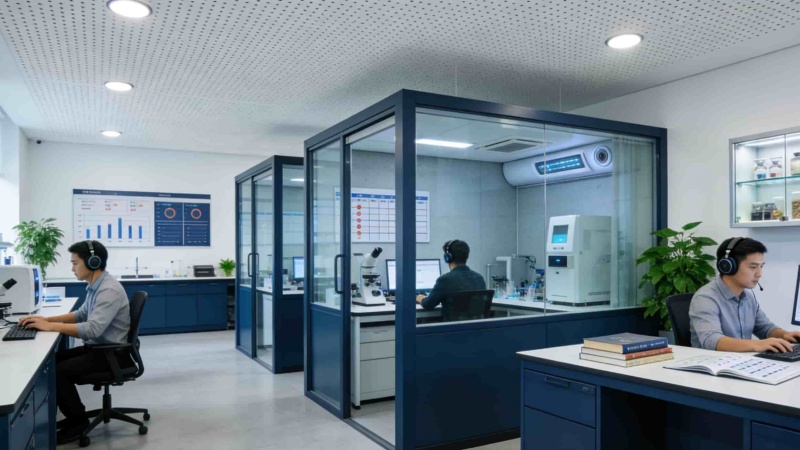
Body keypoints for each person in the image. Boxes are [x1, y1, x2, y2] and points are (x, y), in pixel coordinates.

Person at [20, 240, 132, 444]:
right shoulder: (96, 286)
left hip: (112, 355)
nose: (72, 268)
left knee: (58, 372)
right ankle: (72, 417)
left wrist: (50, 327)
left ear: (93, 262)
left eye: (75, 263)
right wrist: (47, 320)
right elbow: (81, 314)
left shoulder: (108, 291)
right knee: (52, 362)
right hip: (100, 349)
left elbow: (92, 329)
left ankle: (78, 423)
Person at [689, 237, 800, 352]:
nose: (759, 274)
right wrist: (757, 344)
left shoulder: (747, 296)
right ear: (728, 266)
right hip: (713, 361)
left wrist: (784, 335)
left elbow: (765, 328)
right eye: (753, 267)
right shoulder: (705, 298)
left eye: (761, 266)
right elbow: (711, 340)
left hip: (742, 360)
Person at [416, 239, 486, 310]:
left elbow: (428, 304)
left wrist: (420, 298)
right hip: (476, 317)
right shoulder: (479, 278)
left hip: (453, 318)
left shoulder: (445, 280)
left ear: (448, 257)